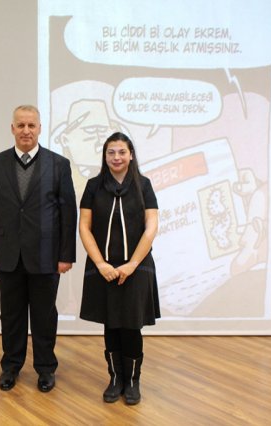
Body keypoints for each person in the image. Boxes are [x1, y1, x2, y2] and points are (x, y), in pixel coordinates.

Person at [0, 105, 77, 393]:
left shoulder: (58, 164)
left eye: (31, 125)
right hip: (8, 253)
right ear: (12, 128)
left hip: (47, 255)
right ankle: (11, 367)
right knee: (11, 315)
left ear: (40, 128)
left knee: (44, 315)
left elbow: (68, 212)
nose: (26, 131)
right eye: (21, 125)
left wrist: (66, 255)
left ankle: (45, 368)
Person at [78, 132, 159, 405]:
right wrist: (101, 264)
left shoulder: (144, 185)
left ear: (131, 155)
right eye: (111, 152)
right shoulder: (93, 186)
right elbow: (84, 227)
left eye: (122, 152)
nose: (116, 157)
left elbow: (151, 227)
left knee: (132, 326)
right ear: (105, 156)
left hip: (137, 267)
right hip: (104, 268)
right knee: (111, 324)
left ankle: (133, 381)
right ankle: (115, 379)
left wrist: (132, 264)